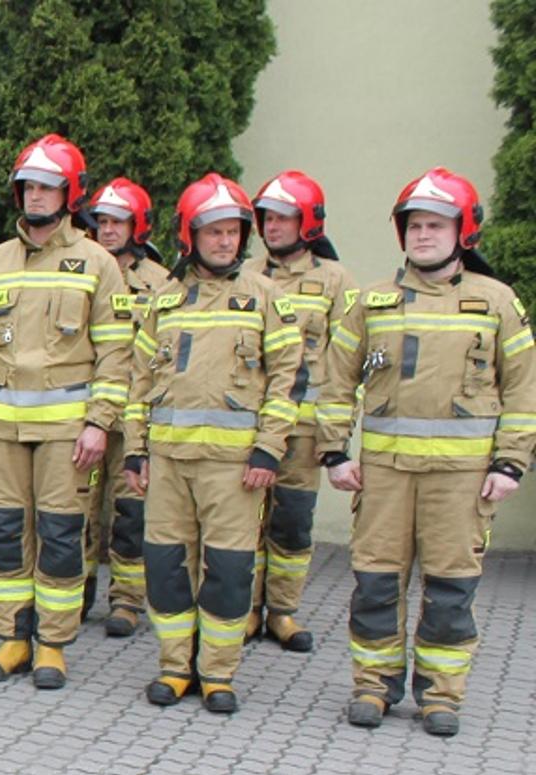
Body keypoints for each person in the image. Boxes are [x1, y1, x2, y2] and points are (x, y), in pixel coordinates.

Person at [318, 167, 535, 737]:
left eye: (436, 225)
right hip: (385, 478)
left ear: (464, 233)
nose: (422, 235)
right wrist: (334, 453)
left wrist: (511, 462)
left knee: (449, 588)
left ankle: (441, 695)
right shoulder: (372, 302)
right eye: (414, 225)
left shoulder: (497, 302)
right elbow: (336, 381)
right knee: (376, 584)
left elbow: (524, 388)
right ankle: (373, 686)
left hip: (461, 481)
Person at [122, 173, 302, 713]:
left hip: (234, 468)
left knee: (226, 572)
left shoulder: (267, 298)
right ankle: (176, 666)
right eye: (214, 232)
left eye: (233, 232)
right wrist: (135, 448)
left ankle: (219, 673)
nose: (225, 241)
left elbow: (287, 379)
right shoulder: (164, 300)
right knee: (167, 567)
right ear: (190, 235)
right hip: (168, 464)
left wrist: (269, 450)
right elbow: (139, 382)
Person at [0, 134, 129, 689]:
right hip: (1, 430)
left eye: (46, 187)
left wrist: (101, 422)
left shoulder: (98, 264)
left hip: (66, 434)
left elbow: (116, 353)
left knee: (59, 536)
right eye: (27, 186)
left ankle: (53, 643)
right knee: (3, 532)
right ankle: (11, 639)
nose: (34, 196)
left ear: (69, 193)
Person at [243, 170, 358, 652]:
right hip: (251, 426)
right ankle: (246, 610)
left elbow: (342, 368)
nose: (272, 227)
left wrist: (335, 443)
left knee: (291, 523)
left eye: (284, 218)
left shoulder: (335, 282)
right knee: (246, 522)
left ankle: (283, 612)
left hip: (305, 431)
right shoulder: (245, 275)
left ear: (307, 222)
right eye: (267, 218)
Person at [82, 177, 173, 637]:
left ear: (137, 226)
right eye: (101, 221)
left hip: (132, 420)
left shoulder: (161, 283)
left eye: (117, 221)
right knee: (78, 510)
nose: (108, 230)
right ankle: (74, 593)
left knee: (129, 514)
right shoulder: (81, 270)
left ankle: (126, 600)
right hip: (87, 414)